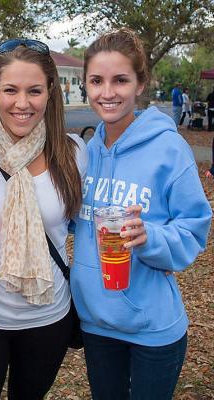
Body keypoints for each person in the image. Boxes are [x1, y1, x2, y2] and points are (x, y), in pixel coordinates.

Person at [71, 28, 212, 400]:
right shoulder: (88, 151)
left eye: (120, 80)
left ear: (140, 83)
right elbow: (72, 219)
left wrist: (151, 237)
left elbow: (194, 228)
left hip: (152, 328)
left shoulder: (170, 149)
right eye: (96, 81)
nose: (107, 92)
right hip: (96, 323)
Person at [0, 38, 88, 400]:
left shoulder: (74, 152)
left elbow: (90, 222)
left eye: (34, 90)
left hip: (49, 318)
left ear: (50, 93)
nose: (22, 103)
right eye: (10, 89)